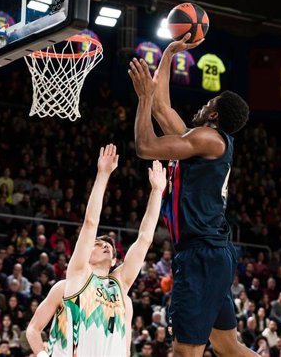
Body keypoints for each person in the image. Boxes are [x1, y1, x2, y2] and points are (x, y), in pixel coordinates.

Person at [128, 34, 251, 357]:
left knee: (186, 350)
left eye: (209, 103)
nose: (203, 104)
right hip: (211, 253)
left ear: (214, 116)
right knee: (227, 345)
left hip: (202, 254)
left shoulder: (207, 138)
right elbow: (162, 106)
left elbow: (145, 147)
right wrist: (168, 54)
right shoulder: (200, 139)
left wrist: (142, 98)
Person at [26, 145, 165, 356]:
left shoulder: (122, 292)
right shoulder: (73, 279)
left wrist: (156, 191)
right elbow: (33, 330)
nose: (105, 245)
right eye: (98, 244)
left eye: (109, 246)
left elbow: (145, 239)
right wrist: (103, 174)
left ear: (114, 261)